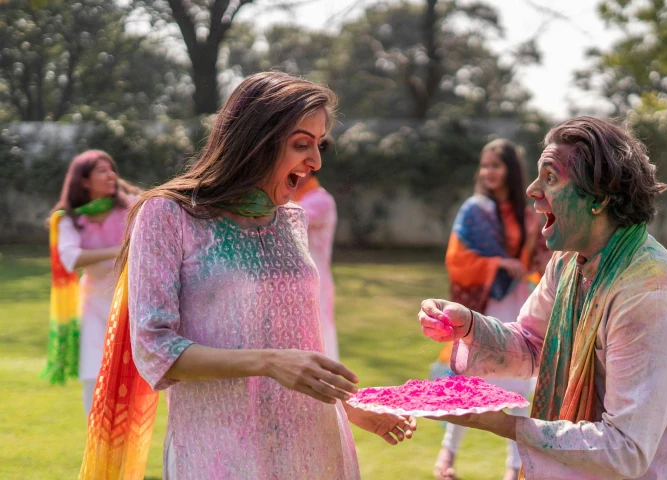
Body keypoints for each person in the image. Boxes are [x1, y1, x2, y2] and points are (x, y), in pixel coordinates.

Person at [79, 72, 415, 479]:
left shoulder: (290, 220)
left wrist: (349, 403)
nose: (316, 162)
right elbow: (155, 350)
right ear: (257, 140)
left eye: (319, 144)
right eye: (301, 144)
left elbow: (295, 346)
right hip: (221, 453)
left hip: (314, 450)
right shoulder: (169, 215)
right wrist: (269, 363)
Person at [418, 117, 667, 479]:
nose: (533, 190)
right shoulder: (571, 263)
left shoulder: (653, 296)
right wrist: (470, 324)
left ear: (599, 198)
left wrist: (505, 425)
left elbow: (625, 450)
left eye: (550, 178)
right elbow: (535, 344)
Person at [434, 139, 543, 480]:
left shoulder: (528, 214)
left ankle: (515, 467)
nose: (488, 172)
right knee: (470, 382)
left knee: (521, 386)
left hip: (519, 303)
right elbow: (456, 258)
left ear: (511, 170)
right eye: (485, 165)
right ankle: (446, 455)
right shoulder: (474, 210)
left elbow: (541, 257)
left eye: (496, 165)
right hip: (485, 305)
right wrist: (497, 263)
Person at [45, 150, 137, 416]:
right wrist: (118, 250)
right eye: (102, 171)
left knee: (136, 374)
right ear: (84, 181)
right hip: (94, 302)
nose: (111, 175)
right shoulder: (69, 219)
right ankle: (95, 444)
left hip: (131, 300)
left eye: (112, 169)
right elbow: (71, 258)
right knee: (93, 373)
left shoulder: (130, 207)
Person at [294, 156, 339, 361]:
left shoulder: (321, 200)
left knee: (317, 335)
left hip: (314, 280)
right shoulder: (294, 197)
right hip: (293, 280)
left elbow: (290, 218)